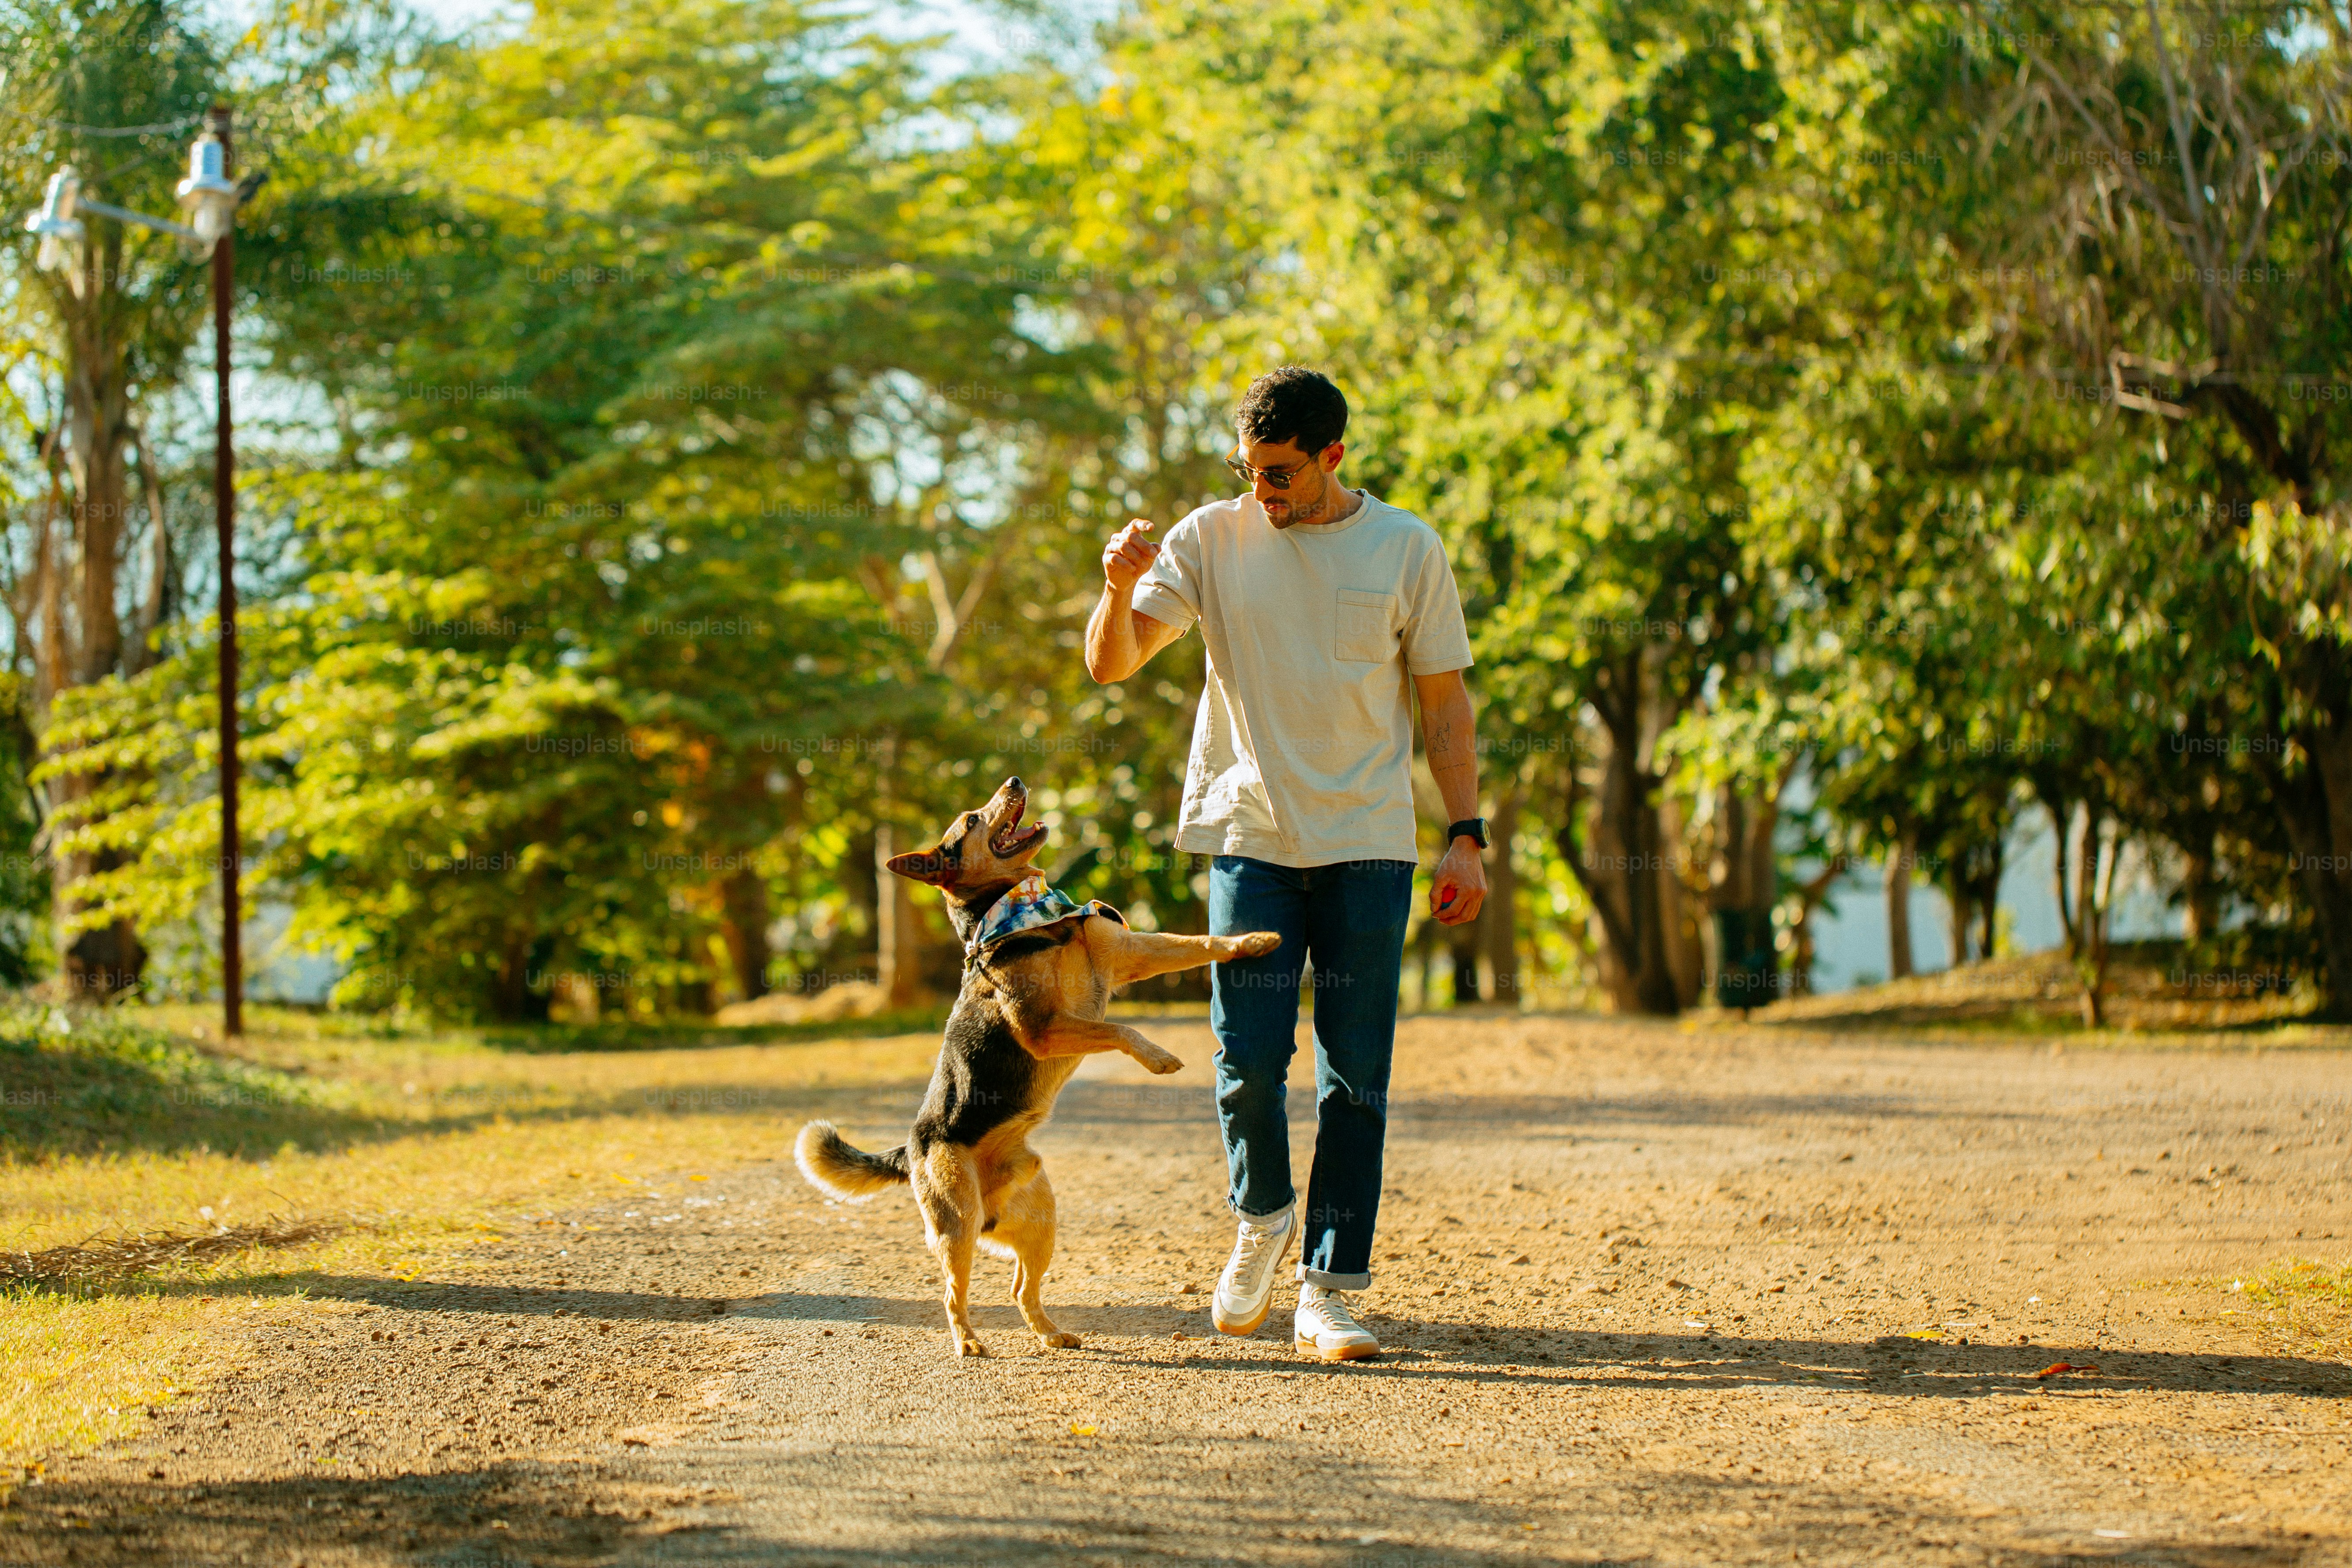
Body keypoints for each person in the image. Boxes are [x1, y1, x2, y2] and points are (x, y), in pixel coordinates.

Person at [1084, 365, 1487, 1362]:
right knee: (1249, 1061)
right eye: (1249, 471)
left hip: (1368, 846)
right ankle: (1262, 1212)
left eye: (1280, 473)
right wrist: (1116, 587)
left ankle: (1329, 1289)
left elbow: (1443, 705)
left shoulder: (1405, 547)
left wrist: (1466, 833)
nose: (1261, 491)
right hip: (1249, 835)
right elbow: (1113, 660)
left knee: (1357, 1079)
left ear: (1332, 457)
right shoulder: (1211, 539)